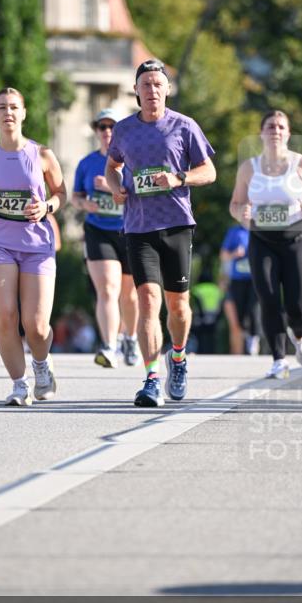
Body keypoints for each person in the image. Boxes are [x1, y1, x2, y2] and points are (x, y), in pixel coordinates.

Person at [105, 59, 216, 407]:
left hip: (177, 225)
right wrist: (115, 187)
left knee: (178, 307)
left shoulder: (184, 126)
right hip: (138, 227)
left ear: (167, 89)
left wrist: (179, 178)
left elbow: (209, 171)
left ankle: (178, 358)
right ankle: (152, 377)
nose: (152, 90)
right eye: (145, 85)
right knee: (148, 302)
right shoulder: (123, 130)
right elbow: (113, 166)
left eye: (157, 84)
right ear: (136, 92)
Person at [0, 87, 66, 406]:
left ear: (23, 113)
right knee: (5, 317)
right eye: (1, 107)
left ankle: (42, 364)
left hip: (37, 245)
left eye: (13, 107)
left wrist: (47, 207)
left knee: (35, 327)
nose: (7, 112)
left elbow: (63, 195)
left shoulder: (43, 155)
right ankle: (19, 384)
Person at [229, 109, 302, 379]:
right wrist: (241, 213)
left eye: (281, 127)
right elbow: (235, 204)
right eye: (271, 126)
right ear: (261, 133)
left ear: (289, 133)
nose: (276, 131)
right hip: (262, 240)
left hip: (296, 239)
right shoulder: (249, 167)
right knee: (268, 299)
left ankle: (299, 335)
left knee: (297, 305)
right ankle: (278, 359)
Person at [72, 108, 139, 369]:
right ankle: (109, 346)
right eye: (103, 127)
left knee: (129, 295)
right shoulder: (86, 163)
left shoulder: (133, 160)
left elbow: (143, 193)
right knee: (107, 289)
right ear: (97, 131)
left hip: (130, 230)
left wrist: (112, 186)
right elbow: (75, 196)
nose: (108, 132)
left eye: (113, 126)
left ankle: (130, 338)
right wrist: (84, 204)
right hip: (98, 230)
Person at [219, 224, 260, 355]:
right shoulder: (234, 232)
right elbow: (223, 255)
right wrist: (234, 254)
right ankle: (240, 349)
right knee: (239, 316)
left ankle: (253, 339)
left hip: (255, 280)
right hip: (238, 280)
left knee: (254, 310)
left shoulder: (259, 230)